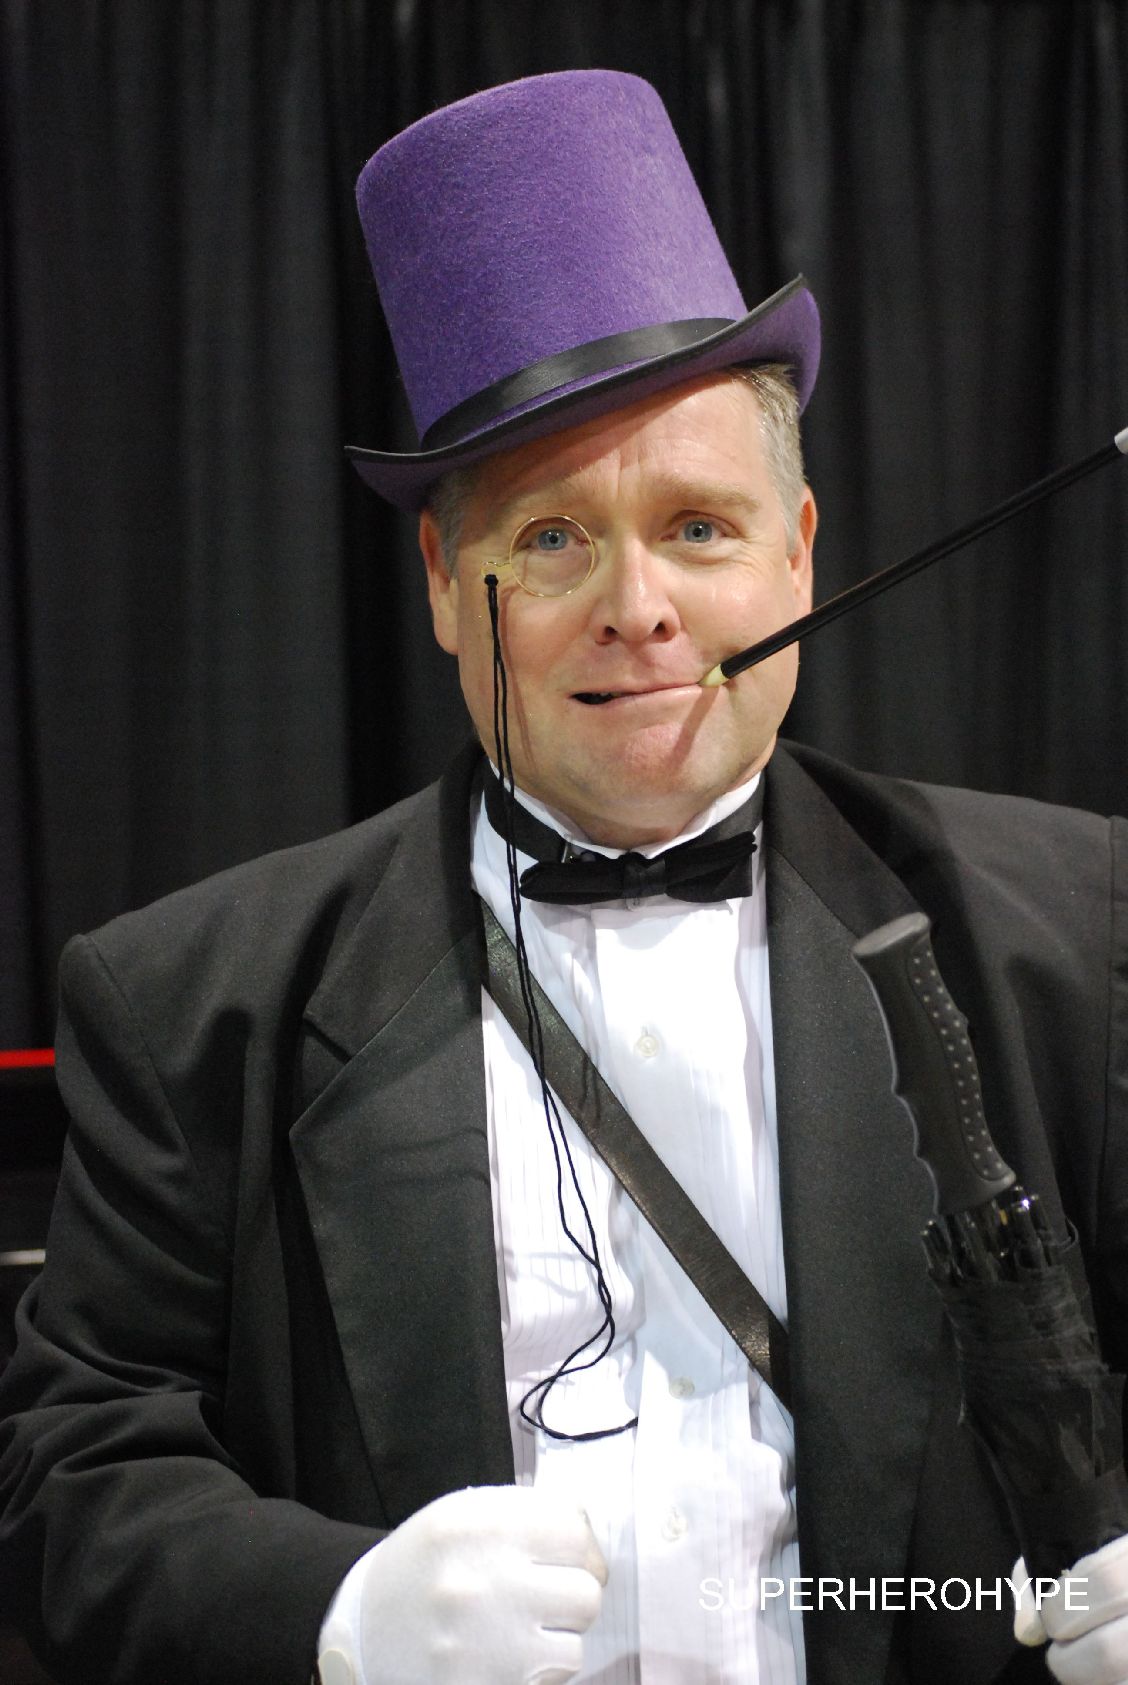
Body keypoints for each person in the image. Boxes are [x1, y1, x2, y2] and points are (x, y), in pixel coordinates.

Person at [0, 68, 1125, 1685]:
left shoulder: (1076, 930)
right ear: (442, 582)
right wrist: (326, 1613)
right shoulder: (186, 1003)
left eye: (700, 527)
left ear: (800, 548)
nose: (638, 606)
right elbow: (68, 1470)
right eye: (550, 541)